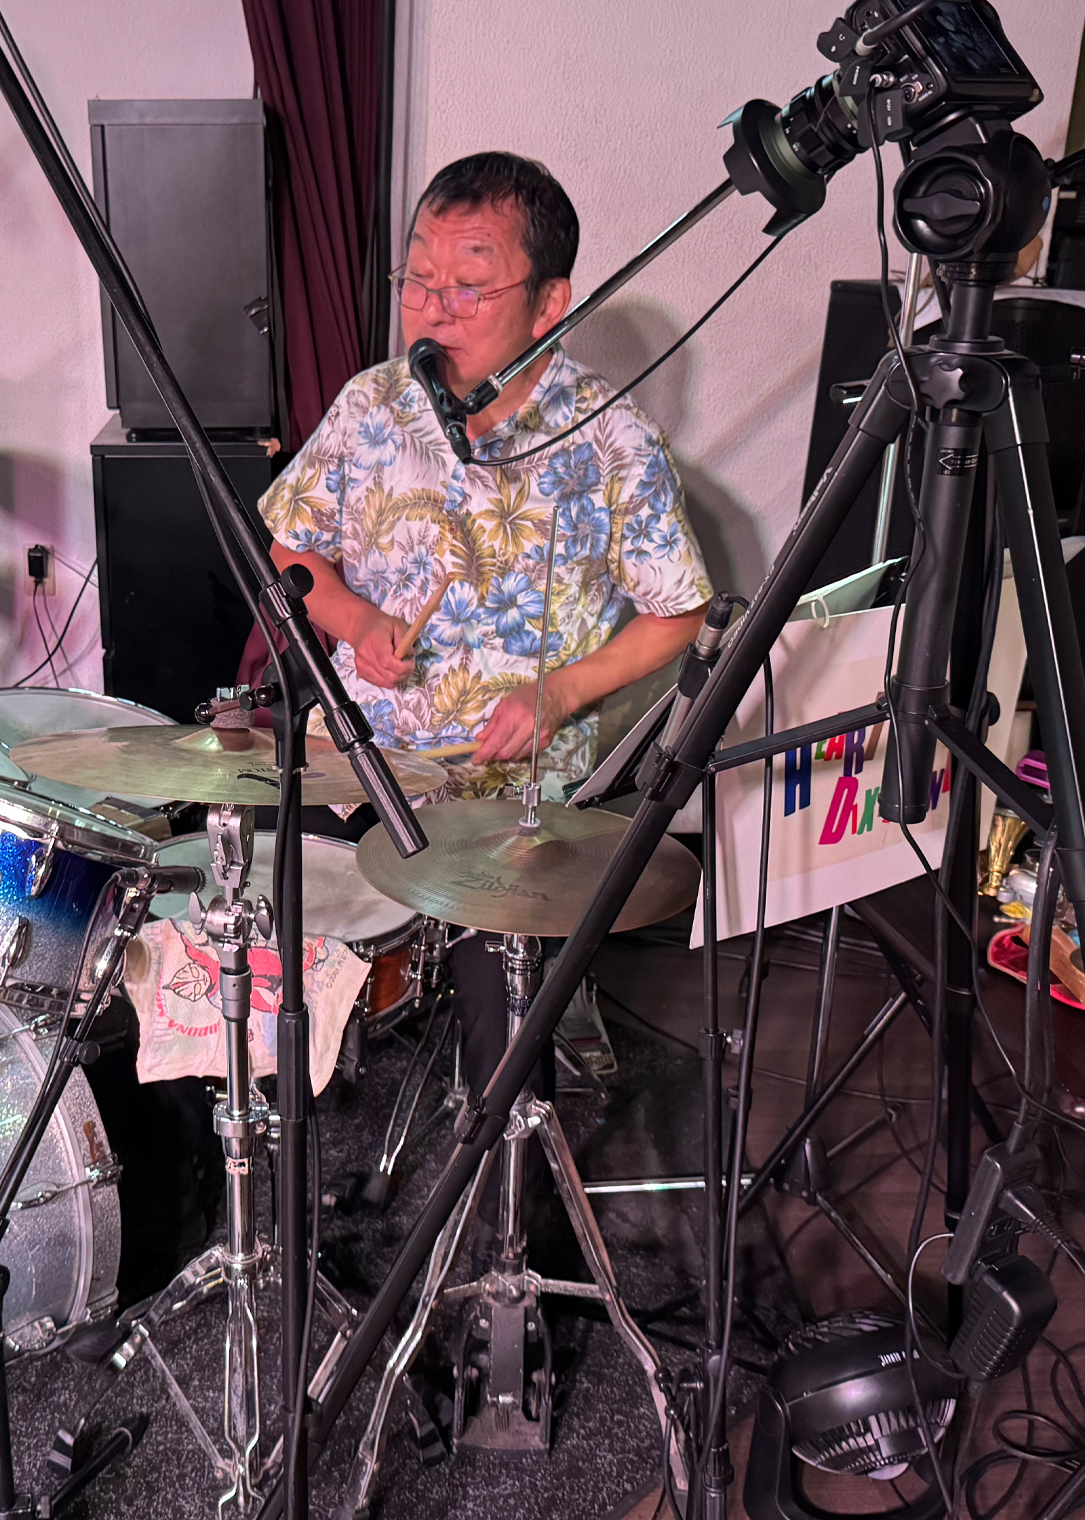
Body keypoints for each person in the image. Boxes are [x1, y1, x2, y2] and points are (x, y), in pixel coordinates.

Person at [259, 151, 713, 1099]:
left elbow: (679, 612)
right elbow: (291, 550)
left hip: (513, 795)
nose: (434, 310)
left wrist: (562, 692)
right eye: (419, 279)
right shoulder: (372, 405)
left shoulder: (613, 438)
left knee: (505, 1058)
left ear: (549, 304)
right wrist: (355, 619)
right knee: (254, 935)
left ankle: (505, 1159)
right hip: (361, 759)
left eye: (468, 287)